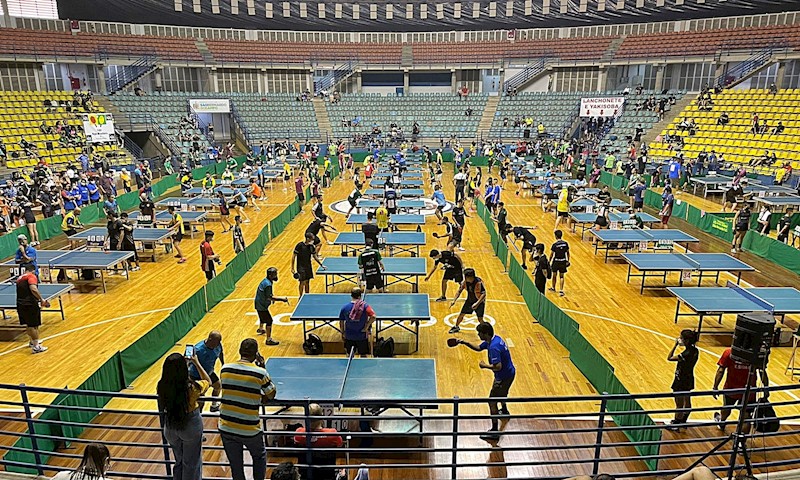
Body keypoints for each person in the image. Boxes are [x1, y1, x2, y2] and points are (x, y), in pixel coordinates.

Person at [219, 339, 276, 480]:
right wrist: (263, 367)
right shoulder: (260, 373)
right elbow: (271, 393)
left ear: (239, 351)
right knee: (259, 456)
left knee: (236, 465)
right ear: (256, 354)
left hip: (226, 427)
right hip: (249, 429)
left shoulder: (224, 369)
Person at [453, 322, 515, 441]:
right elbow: (478, 348)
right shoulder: (494, 339)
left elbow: (498, 366)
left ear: (485, 333)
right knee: (502, 393)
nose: (478, 335)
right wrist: (464, 342)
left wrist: (484, 366)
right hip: (509, 373)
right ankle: (505, 410)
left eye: (479, 333)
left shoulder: (493, 347)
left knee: (491, 402)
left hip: (503, 376)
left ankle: (495, 431)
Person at [157, 351, 210, 480]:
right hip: (190, 426)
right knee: (192, 464)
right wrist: (196, 363)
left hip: (170, 427)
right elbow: (207, 381)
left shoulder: (161, 386)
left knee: (179, 461)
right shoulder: (193, 388)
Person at [713, 346, 769, 434]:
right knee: (746, 417)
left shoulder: (729, 352)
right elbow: (762, 372)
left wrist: (715, 387)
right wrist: (766, 388)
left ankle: (722, 421)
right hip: (749, 391)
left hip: (731, 388)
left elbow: (721, 370)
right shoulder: (755, 355)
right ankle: (741, 442)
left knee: (727, 407)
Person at [666, 329, 698, 432]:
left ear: (687, 340)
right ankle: (683, 420)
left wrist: (675, 345)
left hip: (680, 380)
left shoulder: (685, 354)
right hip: (689, 378)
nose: (680, 339)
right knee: (687, 401)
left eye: (682, 338)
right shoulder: (695, 351)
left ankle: (676, 423)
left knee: (679, 403)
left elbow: (669, 358)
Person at [188, 331, 225, 412]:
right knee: (201, 399)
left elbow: (220, 353)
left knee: (218, 386)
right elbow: (188, 362)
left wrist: (223, 364)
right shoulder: (198, 349)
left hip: (209, 372)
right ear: (210, 339)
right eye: (215, 343)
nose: (217, 345)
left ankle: (214, 406)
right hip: (196, 375)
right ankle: (199, 414)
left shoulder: (218, 345)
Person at [17, 263, 49, 354]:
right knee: (33, 325)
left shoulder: (20, 278)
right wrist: (41, 300)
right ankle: (36, 347)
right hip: (30, 304)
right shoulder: (31, 276)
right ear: (33, 270)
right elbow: (33, 289)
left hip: (20, 304)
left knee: (28, 324)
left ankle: (32, 341)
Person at [255, 267, 289, 346]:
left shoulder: (266, 281)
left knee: (263, 317)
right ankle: (268, 339)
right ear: (270, 275)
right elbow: (269, 297)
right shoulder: (268, 284)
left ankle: (260, 329)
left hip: (260, 303)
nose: (276, 276)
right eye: (275, 274)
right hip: (261, 305)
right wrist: (282, 299)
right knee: (269, 320)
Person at [339, 287, 376, 357]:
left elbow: (341, 322)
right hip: (361, 336)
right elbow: (373, 316)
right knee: (363, 355)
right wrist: (366, 327)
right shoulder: (365, 306)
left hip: (349, 336)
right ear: (360, 296)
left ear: (351, 295)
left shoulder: (344, 308)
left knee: (349, 355)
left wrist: (343, 332)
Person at [448, 268, 487, 334]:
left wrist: (477, 304)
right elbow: (459, 291)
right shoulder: (465, 282)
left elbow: (484, 294)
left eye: (466, 277)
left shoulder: (478, 282)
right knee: (461, 314)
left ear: (471, 277)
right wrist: (454, 300)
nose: (465, 278)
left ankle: (486, 331)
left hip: (479, 302)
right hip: (469, 301)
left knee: (480, 319)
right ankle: (456, 326)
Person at [292, 232, 326, 297]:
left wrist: (321, 264)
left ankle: (307, 296)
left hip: (308, 266)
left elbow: (315, 256)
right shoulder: (299, 245)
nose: (313, 241)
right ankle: (301, 296)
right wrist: (292, 268)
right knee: (302, 282)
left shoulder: (311, 247)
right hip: (300, 267)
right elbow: (294, 256)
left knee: (307, 282)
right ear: (307, 239)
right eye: (312, 239)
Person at [549, 230, 569, 296]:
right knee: (561, 276)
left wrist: (549, 261)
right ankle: (561, 290)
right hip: (563, 261)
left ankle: (553, 288)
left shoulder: (554, 245)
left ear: (556, 236)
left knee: (554, 275)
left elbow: (551, 254)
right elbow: (568, 253)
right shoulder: (565, 244)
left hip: (556, 261)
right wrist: (568, 260)